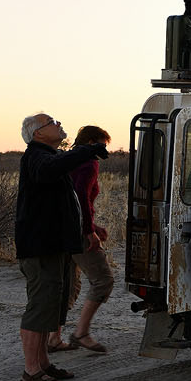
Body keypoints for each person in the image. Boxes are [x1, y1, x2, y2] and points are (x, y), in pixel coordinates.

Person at [15, 114, 109, 381]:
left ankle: (43, 364)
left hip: (52, 246)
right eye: (51, 122)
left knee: (48, 307)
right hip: (39, 247)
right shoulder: (36, 156)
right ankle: (31, 372)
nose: (58, 123)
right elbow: (52, 169)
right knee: (39, 308)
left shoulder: (47, 155)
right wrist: (85, 150)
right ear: (38, 134)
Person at [47, 124, 114, 355]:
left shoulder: (66, 160)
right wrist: (89, 231)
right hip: (77, 233)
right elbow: (80, 199)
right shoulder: (88, 163)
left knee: (68, 284)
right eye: (102, 144)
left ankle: (53, 338)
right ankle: (81, 333)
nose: (104, 150)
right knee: (103, 279)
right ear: (91, 143)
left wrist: (92, 225)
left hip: (60, 230)